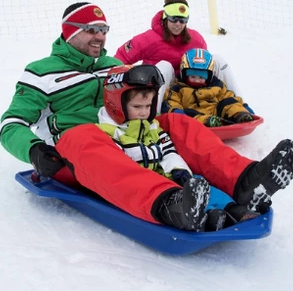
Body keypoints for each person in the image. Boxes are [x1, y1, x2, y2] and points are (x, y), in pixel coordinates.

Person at [0, 1, 293, 231]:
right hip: (72, 155)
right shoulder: (41, 72)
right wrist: (34, 150)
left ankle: (246, 181)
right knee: (83, 135)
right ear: (70, 32)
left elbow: (139, 101)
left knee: (175, 123)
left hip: (126, 138)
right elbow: (11, 124)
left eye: (104, 30)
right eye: (92, 30)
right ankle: (171, 204)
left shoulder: (113, 64)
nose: (100, 36)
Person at [99, 63, 256, 230]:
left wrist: (178, 170)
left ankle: (232, 209)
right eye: (137, 107)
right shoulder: (111, 134)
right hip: (146, 186)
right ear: (115, 105)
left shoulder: (152, 127)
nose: (144, 113)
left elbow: (168, 151)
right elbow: (119, 168)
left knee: (197, 182)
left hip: (164, 175)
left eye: (148, 106)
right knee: (179, 194)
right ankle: (208, 217)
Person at [114, 0, 241, 98]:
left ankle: (238, 104)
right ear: (165, 18)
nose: (178, 24)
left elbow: (206, 67)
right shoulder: (149, 39)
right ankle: (154, 115)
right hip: (161, 91)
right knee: (165, 66)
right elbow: (121, 58)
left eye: (182, 20)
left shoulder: (195, 38)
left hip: (191, 85)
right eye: (173, 19)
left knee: (217, 60)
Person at [163, 48, 254, 127]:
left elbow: (228, 96)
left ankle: (240, 115)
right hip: (195, 116)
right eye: (193, 77)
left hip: (216, 113)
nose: (197, 80)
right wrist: (177, 111)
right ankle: (208, 122)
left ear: (209, 76)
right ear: (184, 74)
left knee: (228, 102)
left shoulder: (216, 85)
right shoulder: (178, 88)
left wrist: (243, 105)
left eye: (201, 77)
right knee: (188, 113)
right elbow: (171, 101)